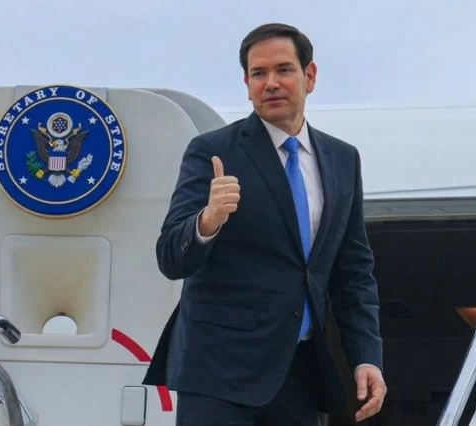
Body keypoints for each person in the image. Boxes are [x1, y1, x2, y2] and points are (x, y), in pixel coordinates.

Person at [142, 22, 386, 425]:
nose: (270, 83)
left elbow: (353, 272)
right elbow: (170, 257)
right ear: (247, 84)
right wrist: (208, 220)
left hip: (300, 372)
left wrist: (367, 357)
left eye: (283, 70)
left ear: (310, 76)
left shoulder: (343, 159)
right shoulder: (212, 151)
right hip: (217, 371)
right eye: (258, 73)